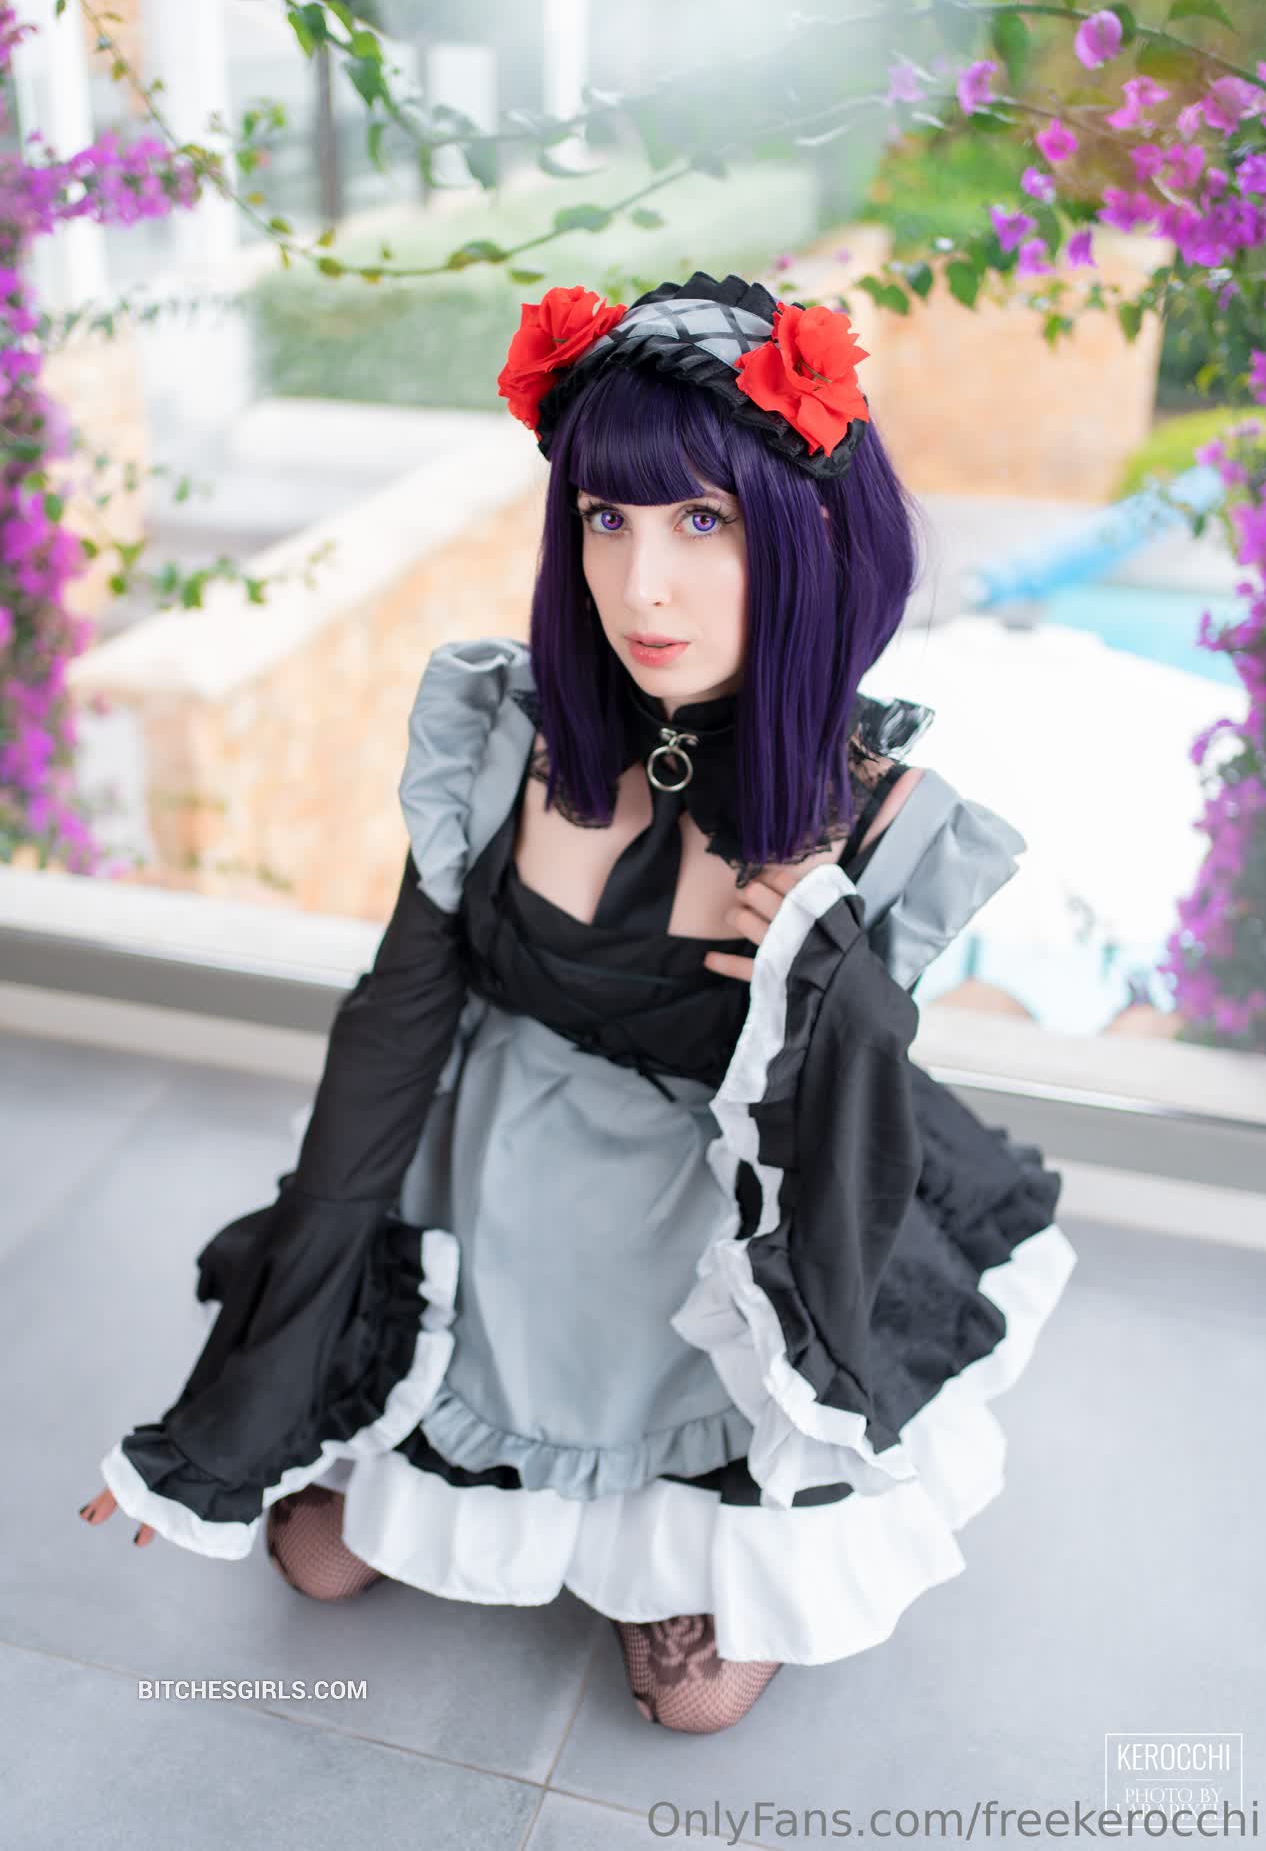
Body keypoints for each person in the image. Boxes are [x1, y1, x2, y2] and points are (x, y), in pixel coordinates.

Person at [80, 269, 1077, 1734]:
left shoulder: (871, 820)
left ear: (806, 535)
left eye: (701, 522)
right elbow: (388, 1039)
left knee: (691, 1699)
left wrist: (830, 982)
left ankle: (666, 1526)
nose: (640, 585)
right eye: (606, 519)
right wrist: (235, 1404)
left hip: (705, 1230)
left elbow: (840, 1144)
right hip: (497, 1185)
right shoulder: (502, 738)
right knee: (315, 1562)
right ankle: (468, 1464)